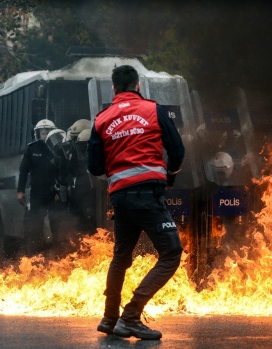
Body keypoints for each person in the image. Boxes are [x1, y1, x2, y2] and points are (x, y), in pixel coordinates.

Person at [88, 65, 185, 340]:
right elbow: (177, 149)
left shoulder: (101, 119)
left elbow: (95, 168)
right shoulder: (153, 110)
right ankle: (130, 316)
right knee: (171, 253)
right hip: (148, 196)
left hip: (120, 198)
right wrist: (171, 175)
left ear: (113, 88)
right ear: (138, 85)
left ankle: (109, 318)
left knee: (121, 257)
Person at [17, 119, 60, 255]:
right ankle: (37, 252)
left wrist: (60, 189)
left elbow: (62, 170)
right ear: (37, 133)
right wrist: (20, 191)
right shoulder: (31, 149)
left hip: (54, 192)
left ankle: (59, 250)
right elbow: (23, 171)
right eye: (42, 132)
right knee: (36, 223)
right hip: (37, 193)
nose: (45, 134)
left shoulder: (57, 149)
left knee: (56, 221)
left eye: (48, 132)